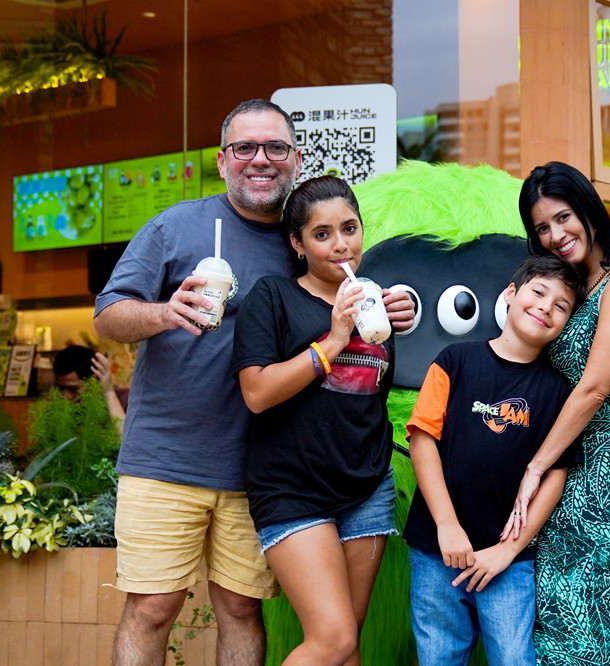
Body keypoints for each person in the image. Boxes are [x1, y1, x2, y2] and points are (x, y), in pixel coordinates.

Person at [94, 99, 415, 665]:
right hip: (169, 455)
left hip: (259, 462)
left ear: (295, 158)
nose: (259, 160)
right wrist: (167, 311)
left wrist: (395, 309)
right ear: (222, 161)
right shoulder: (177, 225)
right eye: (245, 148)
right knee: (152, 608)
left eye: (274, 148)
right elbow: (109, 315)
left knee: (241, 609)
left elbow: (343, 311)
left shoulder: (310, 235)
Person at [230, 175, 403, 666]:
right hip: (293, 488)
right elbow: (257, 394)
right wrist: (332, 340)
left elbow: (368, 397)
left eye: (349, 228)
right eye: (322, 234)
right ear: (297, 244)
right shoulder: (274, 296)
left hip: (367, 486)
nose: (340, 243)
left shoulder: (374, 303)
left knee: (348, 645)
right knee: (333, 639)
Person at [503, 161, 610, 664]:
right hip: (554, 479)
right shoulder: (561, 293)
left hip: (602, 479)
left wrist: (535, 466)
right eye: (542, 228)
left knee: (604, 634)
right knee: (556, 632)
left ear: (589, 211)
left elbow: (594, 388)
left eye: (563, 217)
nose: (555, 235)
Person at [404, 255, 585, 666]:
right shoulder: (455, 360)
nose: (546, 306)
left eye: (561, 306)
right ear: (511, 294)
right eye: (539, 292)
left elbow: (554, 478)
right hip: (437, 552)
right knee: (438, 657)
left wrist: (509, 550)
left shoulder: (558, 392)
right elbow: (422, 439)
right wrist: (447, 526)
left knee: (513, 659)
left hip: (508, 562)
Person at [52, 344, 127, 429]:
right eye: (60, 388)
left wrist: (109, 393)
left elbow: (130, 439)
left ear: (95, 379)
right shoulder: (59, 410)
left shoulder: (125, 402)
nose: (66, 396)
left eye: (73, 389)